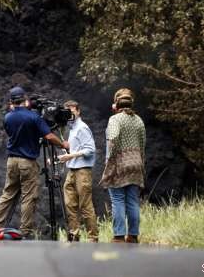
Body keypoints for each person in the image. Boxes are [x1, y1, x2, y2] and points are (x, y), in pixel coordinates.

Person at [0, 86, 69, 239]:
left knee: (8, 193)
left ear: (11, 101)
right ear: (25, 100)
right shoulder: (33, 118)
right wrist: (63, 144)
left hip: (12, 161)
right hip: (27, 162)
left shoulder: (8, 117)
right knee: (28, 196)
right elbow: (49, 137)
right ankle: (25, 230)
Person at [100, 88, 146, 244]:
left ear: (116, 104)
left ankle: (119, 236)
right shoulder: (139, 120)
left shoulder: (115, 120)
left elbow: (112, 139)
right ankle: (133, 235)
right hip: (136, 163)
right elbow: (142, 145)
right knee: (133, 201)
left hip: (120, 164)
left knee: (118, 200)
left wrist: (109, 161)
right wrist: (141, 164)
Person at [58, 100, 99, 242]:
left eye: (72, 109)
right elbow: (76, 148)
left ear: (78, 111)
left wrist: (70, 155)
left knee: (85, 205)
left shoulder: (82, 127)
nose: (70, 112)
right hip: (72, 170)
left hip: (83, 171)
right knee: (70, 205)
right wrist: (64, 154)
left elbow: (90, 150)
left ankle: (93, 238)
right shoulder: (72, 128)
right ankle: (74, 235)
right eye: (67, 110)